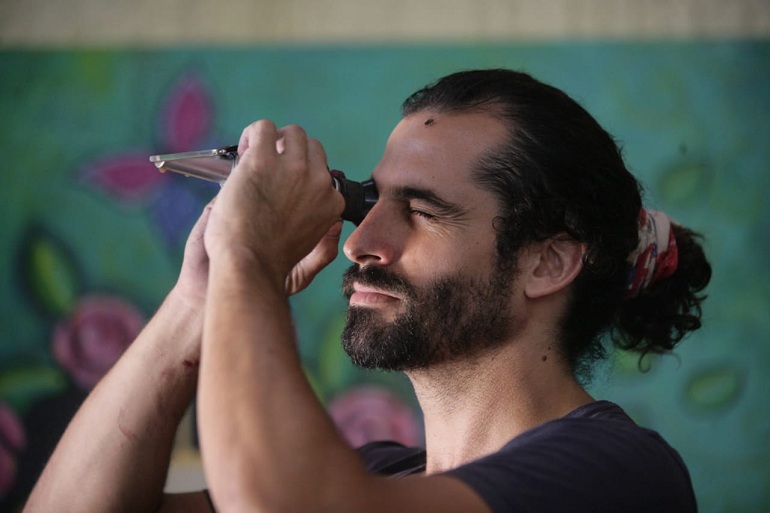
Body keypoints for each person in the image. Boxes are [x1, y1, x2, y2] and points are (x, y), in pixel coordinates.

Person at [24, 69, 711, 513]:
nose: (359, 243)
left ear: (548, 261)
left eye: (422, 210)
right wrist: (196, 299)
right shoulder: (377, 473)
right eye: (370, 203)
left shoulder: (616, 473)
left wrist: (248, 257)